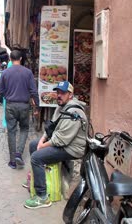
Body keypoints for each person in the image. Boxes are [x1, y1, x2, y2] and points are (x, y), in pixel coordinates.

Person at [24, 81, 87, 209]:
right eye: (58, 92)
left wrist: (42, 146)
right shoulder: (60, 106)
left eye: (63, 93)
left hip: (72, 148)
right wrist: (41, 141)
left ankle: (42, 197)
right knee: (33, 145)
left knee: (36, 157)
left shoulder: (74, 112)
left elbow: (61, 140)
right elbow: (50, 128)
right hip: (62, 143)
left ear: (70, 95)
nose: (59, 95)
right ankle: (38, 179)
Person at [0, 50, 39, 169]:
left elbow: (0, 91)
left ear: (10, 59)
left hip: (10, 105)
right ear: (21, 59)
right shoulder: (28, 72)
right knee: (24, 128)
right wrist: (37, 106)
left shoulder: (5, 73)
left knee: (11, 131)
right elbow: (34, 91)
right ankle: (19, 153)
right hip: (24, 106)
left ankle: (12, 161)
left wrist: (8, 95)